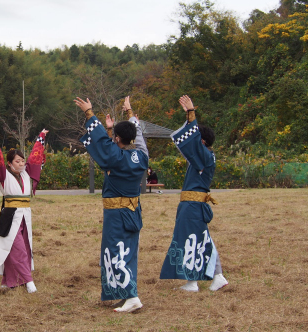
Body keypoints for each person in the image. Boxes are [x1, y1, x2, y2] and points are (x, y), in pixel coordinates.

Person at [75, 96, 149, 313]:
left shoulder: (115, 157)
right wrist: (128, 115)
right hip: (133, 211)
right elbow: (130, 141)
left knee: (117, 253)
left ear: (117, 138)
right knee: (128, 253)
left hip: (117, 214)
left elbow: (105, 147)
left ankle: (132, 297)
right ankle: (127, 295)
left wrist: (90, 113)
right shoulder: (142, 156)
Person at [159, 95, 228, 292]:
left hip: (193, 206)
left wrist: (191, 114)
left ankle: (194, 282)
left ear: (201, 141)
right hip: (193, 205)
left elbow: (193, 142)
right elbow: (190, 144)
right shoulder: (204, 157)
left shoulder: (204, 156)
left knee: (193, 239)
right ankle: (216, 276)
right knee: (201, 239)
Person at [0, 127, 47, 293]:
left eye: (22, 161)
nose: (21, 164)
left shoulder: (26, 173)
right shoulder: (3, 174)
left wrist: (41, 137)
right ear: (9, 163)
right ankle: (29, 281)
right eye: (17, 161)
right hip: (11, 215)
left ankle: (8, 281)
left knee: (24, 248)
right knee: (17, 248)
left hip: (25, 216)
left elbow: (35, 157)